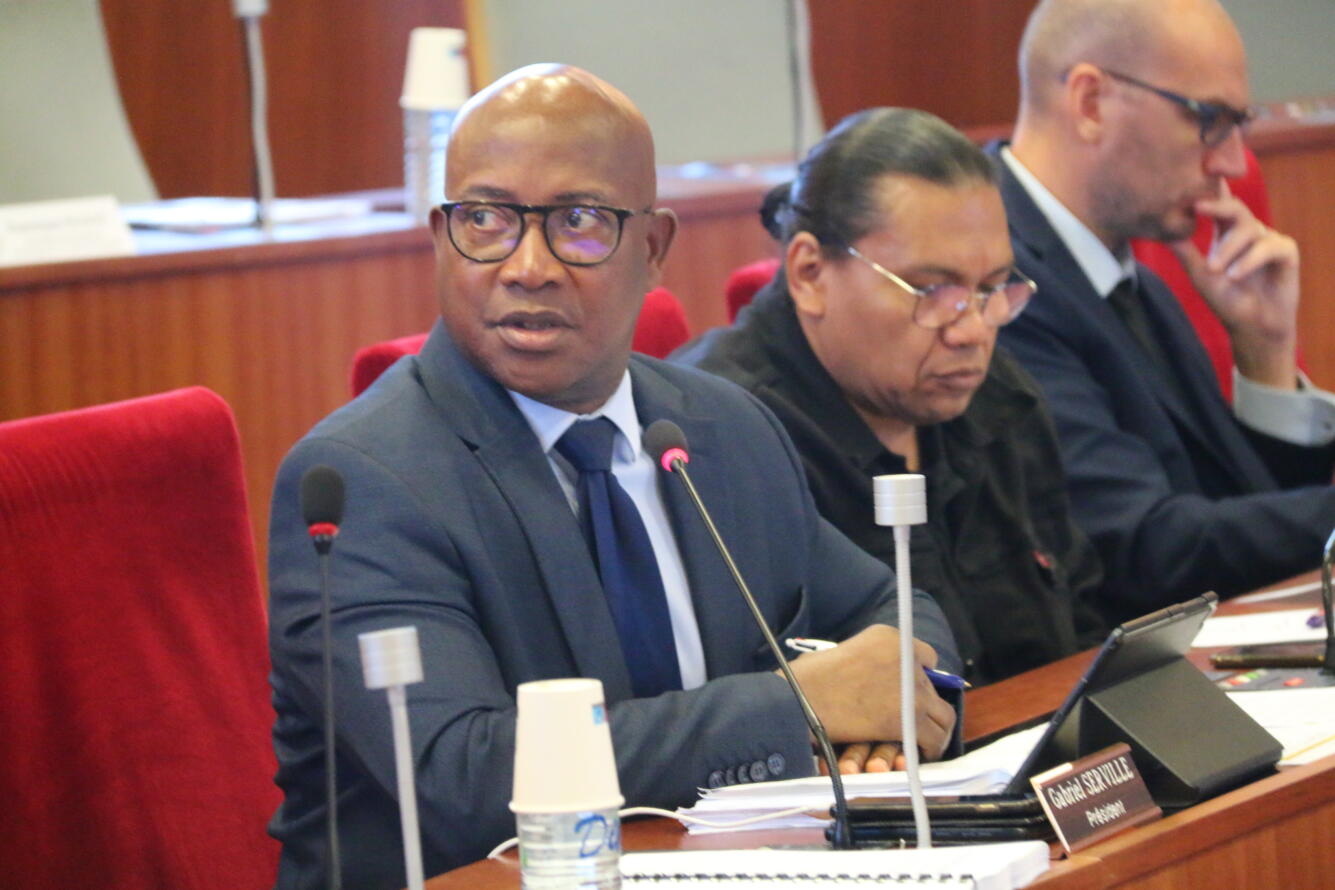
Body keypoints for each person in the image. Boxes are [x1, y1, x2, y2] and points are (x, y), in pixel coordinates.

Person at [266, 65, 961, 889]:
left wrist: (890, 702)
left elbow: (891, 606)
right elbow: (463, 778)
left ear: (653, 247)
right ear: (439, 235)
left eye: (579, 221)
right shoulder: (362, 481)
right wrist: (799, 709)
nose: (527, 266)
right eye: (485, 219)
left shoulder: (722, 428)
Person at [675, 108, 1106, 692]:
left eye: (990, 289)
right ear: (809, 273)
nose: (972, 330)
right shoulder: (724, 442)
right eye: (932, 290)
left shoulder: (1000, 399)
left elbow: (1082, 630)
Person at [992, 0, 1335, 621]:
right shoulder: (996, 281)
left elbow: (1240, 528)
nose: (1233, 163)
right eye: (1210, 120)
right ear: (1091, 103)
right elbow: (1139, 549)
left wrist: (1266, 358)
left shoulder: (1133, 281)